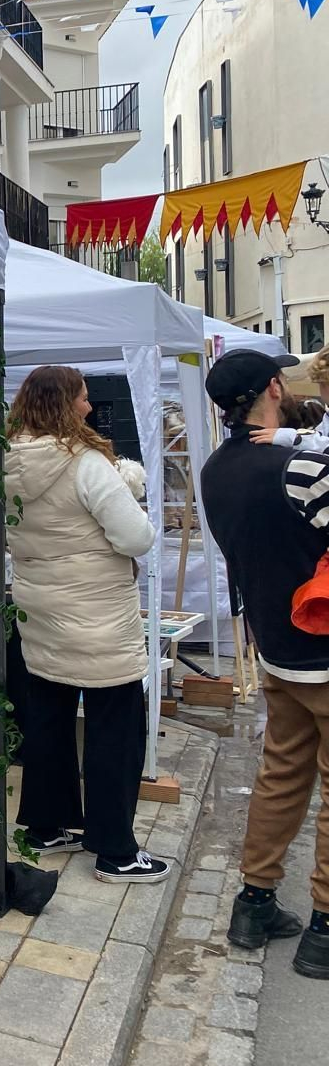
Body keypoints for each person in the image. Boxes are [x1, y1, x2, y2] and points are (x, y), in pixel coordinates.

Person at [2, 367, 168, 882]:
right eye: (83, 399)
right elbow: (136, 538)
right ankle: (115, 849)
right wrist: (130, 491)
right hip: (96, 613)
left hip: (43, 609)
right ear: (64, 404)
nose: (89, 408)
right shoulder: (88, 464)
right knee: (114, 727)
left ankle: (44, 826)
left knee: (49, 716)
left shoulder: (5, 462)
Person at [202, 349, 329, 979]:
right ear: (275, 388)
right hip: (323, 643)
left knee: (282, 773)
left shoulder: (214, 470)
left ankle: (255, 900)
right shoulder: (301, 464)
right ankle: (325, 927)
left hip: (276, 646)